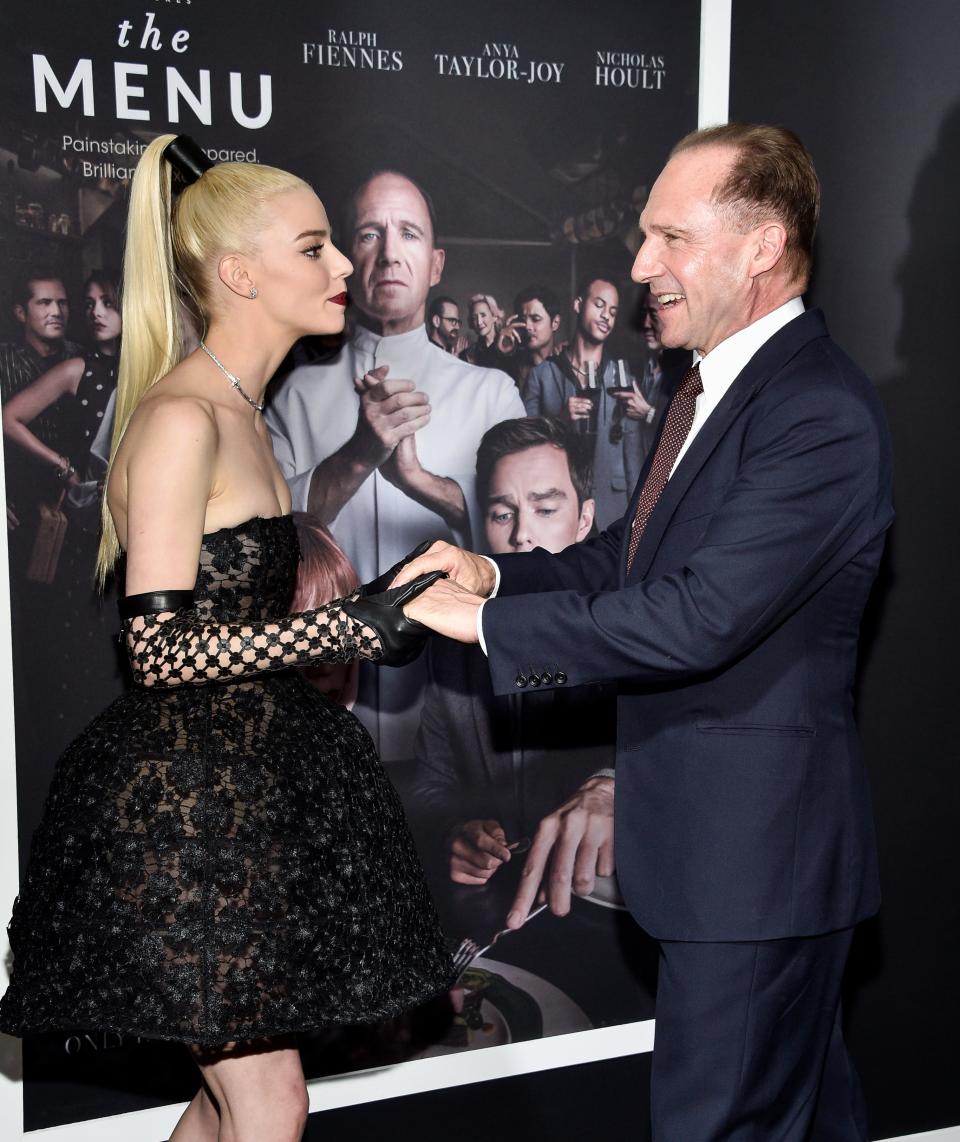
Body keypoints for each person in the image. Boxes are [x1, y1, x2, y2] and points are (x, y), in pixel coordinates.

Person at [394, 123, 893, 1140]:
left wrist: (489, 624)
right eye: (642, 235)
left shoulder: (817, 411)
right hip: (726, 871)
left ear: (763, 245)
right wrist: (493, 568)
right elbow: (631, 553)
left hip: (757, 874)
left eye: (671, 235)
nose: (639, 264)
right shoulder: (706, 389)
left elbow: (699, 614)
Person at [0, 134, 453, 1142]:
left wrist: (393, 604)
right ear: (240, 274)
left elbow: (241, 617)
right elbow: (157, 651)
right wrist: (344, 629)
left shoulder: (247, 412)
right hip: (189, 809)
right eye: (316, 246)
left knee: (225, 1105)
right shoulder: (181, 419)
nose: (346, 267)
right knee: (268, 1103)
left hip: (246, 792)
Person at [266, 170, 523, 759]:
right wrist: (359, 455)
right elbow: (267, 544)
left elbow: (525, 544)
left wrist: (423, 483)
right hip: (321, 693)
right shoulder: (294, 394)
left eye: (408, 233)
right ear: (347, 258)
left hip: (457, 698)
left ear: (435, 264)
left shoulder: (493, 393)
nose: (388, 253)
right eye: (368, 234)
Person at [407, 417, 616, 900]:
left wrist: (610, 787)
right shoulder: (452, 644)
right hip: (496, 915)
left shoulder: (627, 625)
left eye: (545, 509)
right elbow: (429, 783)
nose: (523, 535)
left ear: (585, 520)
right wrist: (455, 831)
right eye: (503, 514)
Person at [523, 276, 648, 528]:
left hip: (614, 508)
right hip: (556, 505)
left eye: (612, 311)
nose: (606, 316)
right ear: (578, 305)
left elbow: (632, 453)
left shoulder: (622, 377)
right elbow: (524, 446)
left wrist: (640, 515)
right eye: (599, 305)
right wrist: (559, 420)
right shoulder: (541, 375)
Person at [2, 269, 121, 499]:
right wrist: (65, 468)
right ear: (20, 312)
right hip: (38, 493)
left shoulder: (78, 353)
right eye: (45, 303)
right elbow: (8, 419)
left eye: (107, 303)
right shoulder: (78, 367)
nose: (56, 312)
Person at [495, 284, 563, 398]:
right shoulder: (512, 365)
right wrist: (502, 352)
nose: (528, 326)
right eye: (523, 320)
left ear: (555, 323)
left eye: (535, 319)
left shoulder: (567, 362)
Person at [460, 292, 503, 367]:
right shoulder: (470, 353)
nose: (479, 322)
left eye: (483, 315)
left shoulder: (507, 344)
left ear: (494, 316)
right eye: (474, 318)